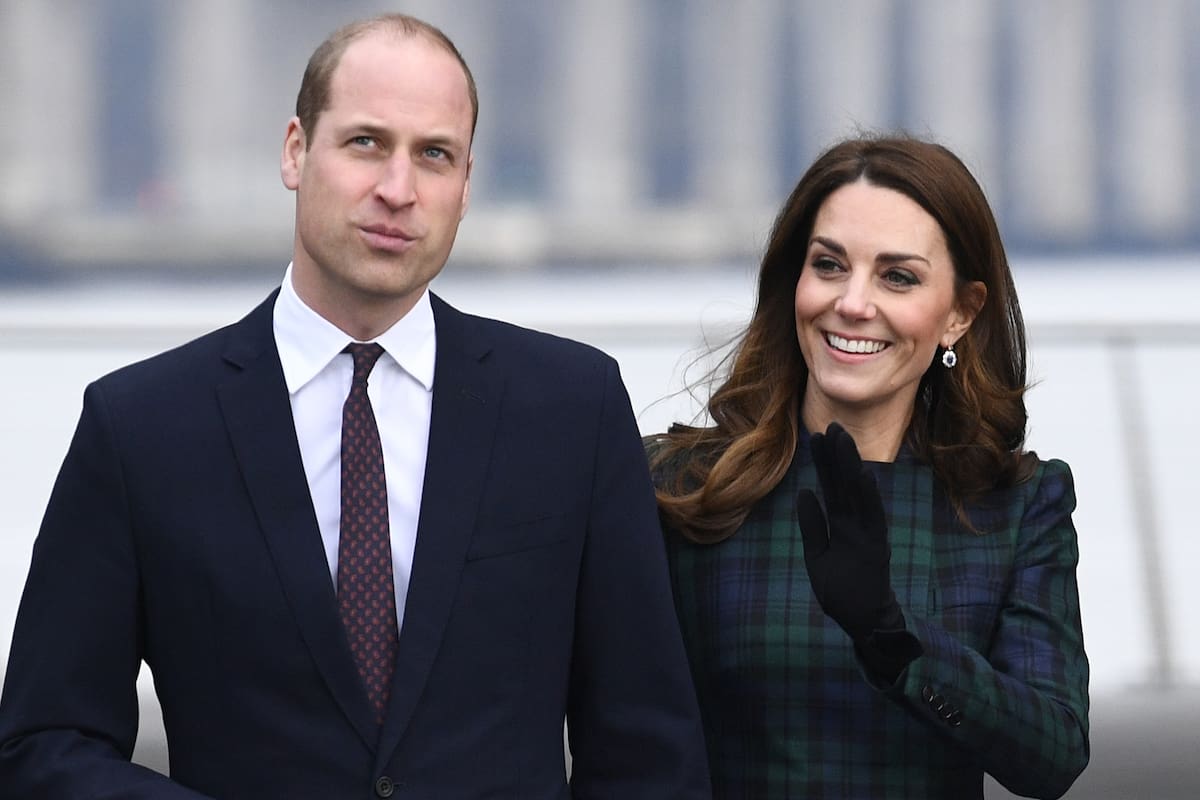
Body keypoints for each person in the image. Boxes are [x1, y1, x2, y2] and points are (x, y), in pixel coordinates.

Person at [0, 14, 710, 799]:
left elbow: (649, 752)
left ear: (466, 186)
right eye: (367, 142)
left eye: (433, 155)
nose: (398, 190)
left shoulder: (574, 409)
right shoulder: (139, 427)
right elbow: (44, 743)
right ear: (296, 151)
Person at [647, 135, 1089, 799]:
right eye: (828, 265)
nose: (853, 302)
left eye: (898, 276)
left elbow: (1052, 755)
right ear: (793, 279)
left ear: (960, 314)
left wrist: (891, 631)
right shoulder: (679, 486)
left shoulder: (1017, 505)